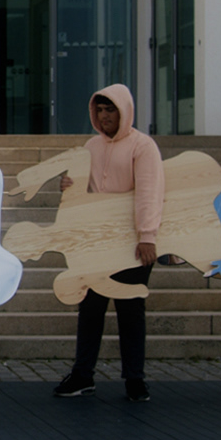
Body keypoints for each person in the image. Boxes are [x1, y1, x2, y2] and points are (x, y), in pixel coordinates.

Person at [52, 84, 163, 403]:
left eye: (110, 110)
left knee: (130, 309)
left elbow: (150, 192)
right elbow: (83, 194)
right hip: (96, 243)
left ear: (123, 111)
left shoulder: (143, 146)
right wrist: (69, 186)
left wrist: (147, 236)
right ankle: (82, 375)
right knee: (90, 307)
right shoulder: (91, 146)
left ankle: (135, 379)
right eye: (99, 110)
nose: (103, 116)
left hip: (132, 244)